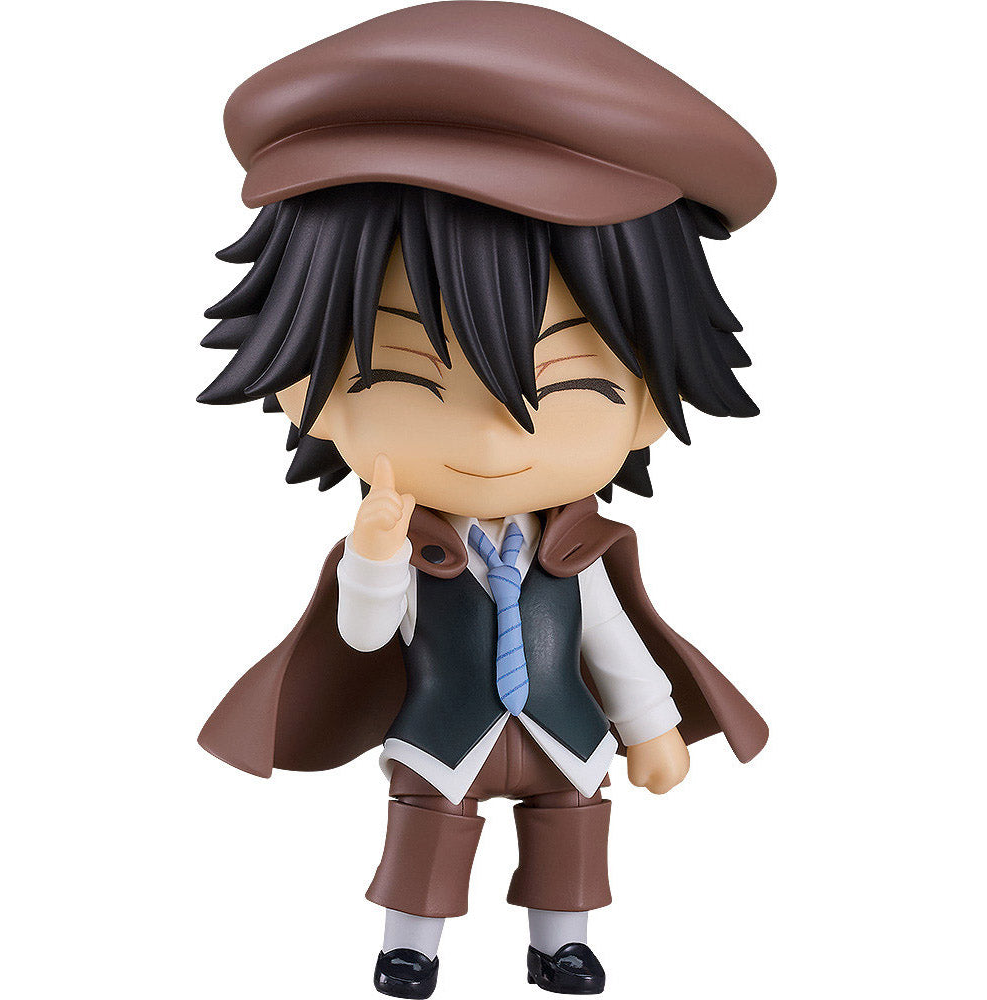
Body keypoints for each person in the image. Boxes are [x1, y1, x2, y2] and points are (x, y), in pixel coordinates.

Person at [197, 5, 775, 996]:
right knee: (425, 837)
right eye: (411, 378)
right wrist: (375, 552)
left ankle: (562, 942)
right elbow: (367, 634)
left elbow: (613, 644)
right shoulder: (404, 547)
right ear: (306, 390)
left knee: (572, 831)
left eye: (574, 384)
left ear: (646, 404)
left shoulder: (575, 556)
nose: (494, 439)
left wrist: (650, 727)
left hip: (565, 734)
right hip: (443, 738)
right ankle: (409, 948)